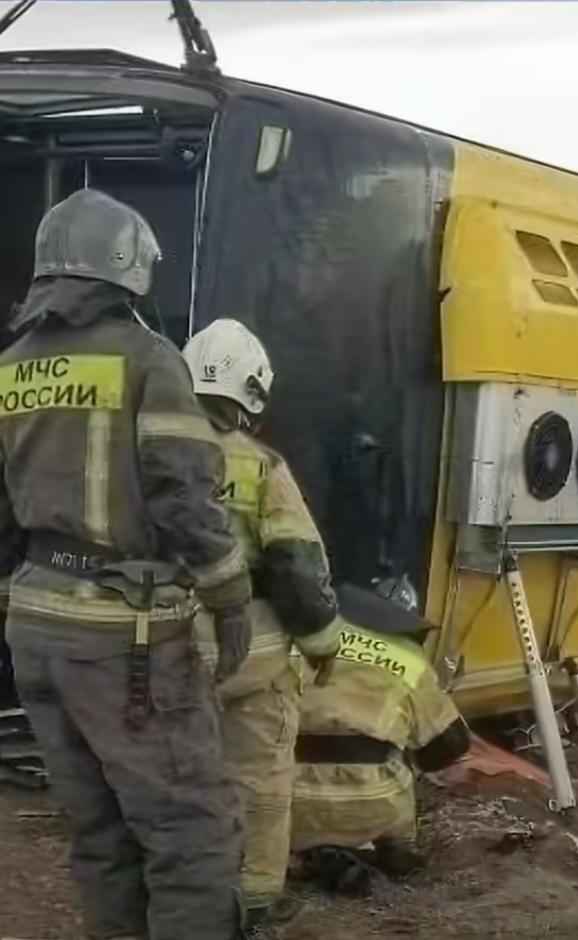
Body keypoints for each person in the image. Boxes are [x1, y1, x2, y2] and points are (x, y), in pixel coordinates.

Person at [0, 189, 251, 940]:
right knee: (190, 834)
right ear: (128, 266)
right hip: (124, 638)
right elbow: (184, 494)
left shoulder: (9, 368)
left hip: (36, 627)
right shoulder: (146, 359)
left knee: (101, 830)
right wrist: (230, 594)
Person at [182, 319, 343, 932]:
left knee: (167, 779)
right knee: (259, 782)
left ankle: (170, 892)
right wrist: (323, 643)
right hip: (248, 658)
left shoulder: (140, 459)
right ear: (251, 390)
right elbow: (297, 566)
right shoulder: (260, 466)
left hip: (156, 650)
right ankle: (250, 903)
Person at [291, 585, 469, 887]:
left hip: (288, 799)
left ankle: (299, 857)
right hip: (376, 801)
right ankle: (398, 853)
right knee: (398, 783)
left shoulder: (289, 645)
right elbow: (450, 745)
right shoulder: (408, 657)